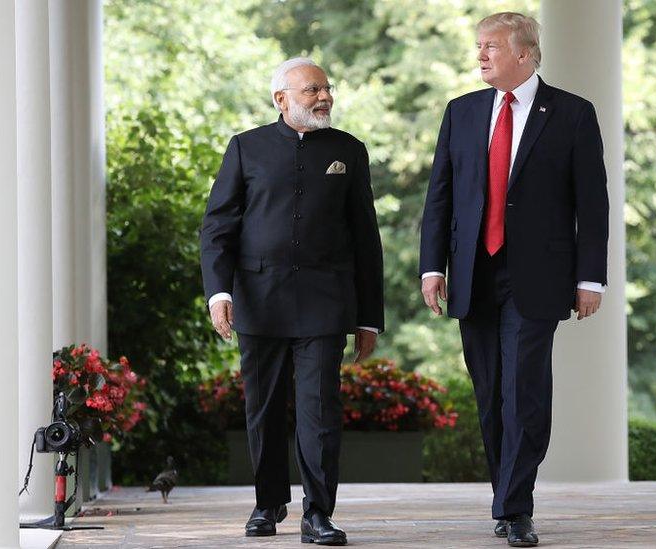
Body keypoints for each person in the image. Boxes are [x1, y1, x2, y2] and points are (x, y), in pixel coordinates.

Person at [419, 12, 609, 547]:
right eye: (479, 46)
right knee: (489, 392)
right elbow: (441, 194)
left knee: (524, 390)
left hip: (540, 275)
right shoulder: (462, 112)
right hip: (474, 273)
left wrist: (590, 277)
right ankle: (506, 497)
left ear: (524, 54)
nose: (480, 55)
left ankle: (515, 507)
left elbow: (592, 204)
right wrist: (433, 266)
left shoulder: (572, 113)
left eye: (491, 47)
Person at [199, 57, 383, 546]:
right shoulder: (246, 148)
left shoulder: (349, 150)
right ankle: (267, 502)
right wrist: (219, 292)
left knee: (320, 409)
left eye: (326, 88)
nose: (323, 97)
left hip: (325, 302)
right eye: (311, 91)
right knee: (262, 408)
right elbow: (218, 227)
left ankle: (318, 513)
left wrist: (368, 316)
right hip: (258, 299)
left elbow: (367, 237)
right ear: (281, 98)